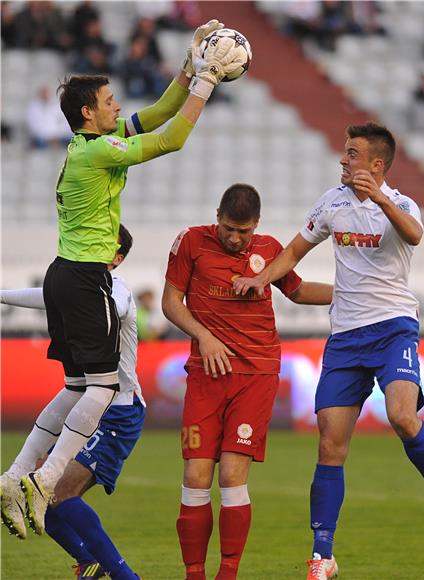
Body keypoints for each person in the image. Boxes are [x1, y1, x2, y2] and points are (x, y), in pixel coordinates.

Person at [3, 18, 244, 540]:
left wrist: (189, 62)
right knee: (105, 386)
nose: (117, 106)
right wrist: (208, 79)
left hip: (63, 275)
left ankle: (14, 476)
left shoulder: (93, 142)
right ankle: (44, 480)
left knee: (74, 386)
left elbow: (157, 113)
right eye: (109, 100)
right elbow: (171, 138)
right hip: (86, 278)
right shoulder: (96, 151)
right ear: (88, 113)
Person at [233, 122, 424, 579]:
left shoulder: (400, 204)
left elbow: (415, 235)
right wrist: (263, 278)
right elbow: (294, 251)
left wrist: (379, 198)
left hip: (394, 328)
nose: (343, 159)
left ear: (376, 165)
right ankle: (323, 555)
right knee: (329, 444)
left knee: (402, 416)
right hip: (345, 337)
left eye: (352, 153)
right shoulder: (331, 203)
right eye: (345, 152)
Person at [162, 183, 333, 580]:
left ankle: (228, 573)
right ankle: (193, 574)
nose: (236, 239)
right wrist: (204, 336)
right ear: (217, 215)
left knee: (232, 476)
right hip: (206, 374)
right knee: (195, 476)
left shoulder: (270, 250)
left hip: (256, 375)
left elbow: (300, 290)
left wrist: (351, 293)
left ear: (257, 225)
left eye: (245, 231)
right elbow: (173, 302)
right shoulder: (190, 241)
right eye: (229, 229)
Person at [1, 225, 145, 580]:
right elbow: (48, 296)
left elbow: (121, 304)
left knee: (58, 491)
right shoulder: (82, 289)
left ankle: (126, 578)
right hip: (86, 408)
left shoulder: (117, 288)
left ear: (117, 257)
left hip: (118, 412)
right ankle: (89, 565)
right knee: (40, 492)